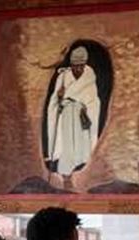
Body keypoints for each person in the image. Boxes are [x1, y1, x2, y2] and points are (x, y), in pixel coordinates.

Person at [45, 46, 100, 190]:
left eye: (81, 65)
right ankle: (65, 177)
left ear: (85, 64)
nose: (78, 69)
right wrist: (60, 97)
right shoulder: (63, 76)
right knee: (67, 146)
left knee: (82, 147)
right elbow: (55, 100)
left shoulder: (89, 75)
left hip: (82, 116)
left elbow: (93, 99)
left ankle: (79, 176)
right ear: (71, 64)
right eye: (75, 65)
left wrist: (87, 108)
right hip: (67, 115)